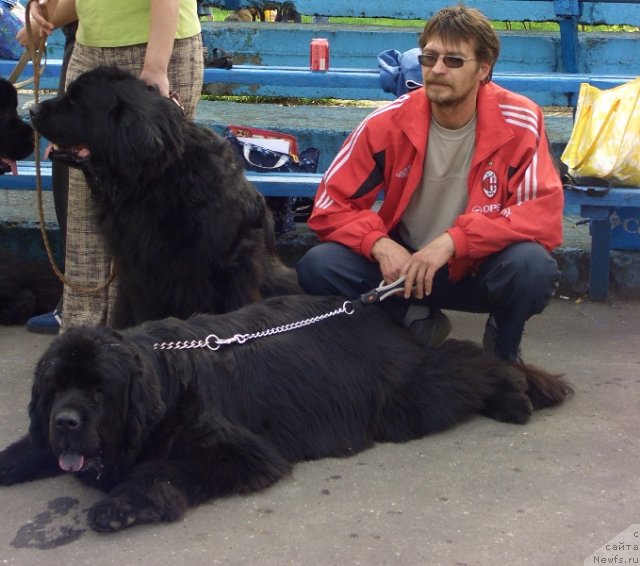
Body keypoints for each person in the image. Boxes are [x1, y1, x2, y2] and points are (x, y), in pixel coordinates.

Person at [296, 5, 563, 362]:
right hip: (407, 267)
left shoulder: (521, 119)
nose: (436, 70)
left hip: (480, 267)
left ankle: (503, 347)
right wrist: (378, 244)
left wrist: (455, 241)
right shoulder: (386, 123)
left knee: (532, 267)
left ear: (483, 69)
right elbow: (330, 205)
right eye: (429, 57)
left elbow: (540, 215)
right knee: (319, 265)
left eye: (453, 61)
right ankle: (412, 319)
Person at [25, 0, 204, 330]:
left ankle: (149, 343)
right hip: (91, 49)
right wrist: (44, 14)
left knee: (148, 218)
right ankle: (81, 334)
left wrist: (155, 68)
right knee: (84, 219)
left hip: (154, 49)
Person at [17, 18, 77, 333]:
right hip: (85, 37)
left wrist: (43, 19)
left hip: (92, 38)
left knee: (72, 181)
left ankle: (76, 304)